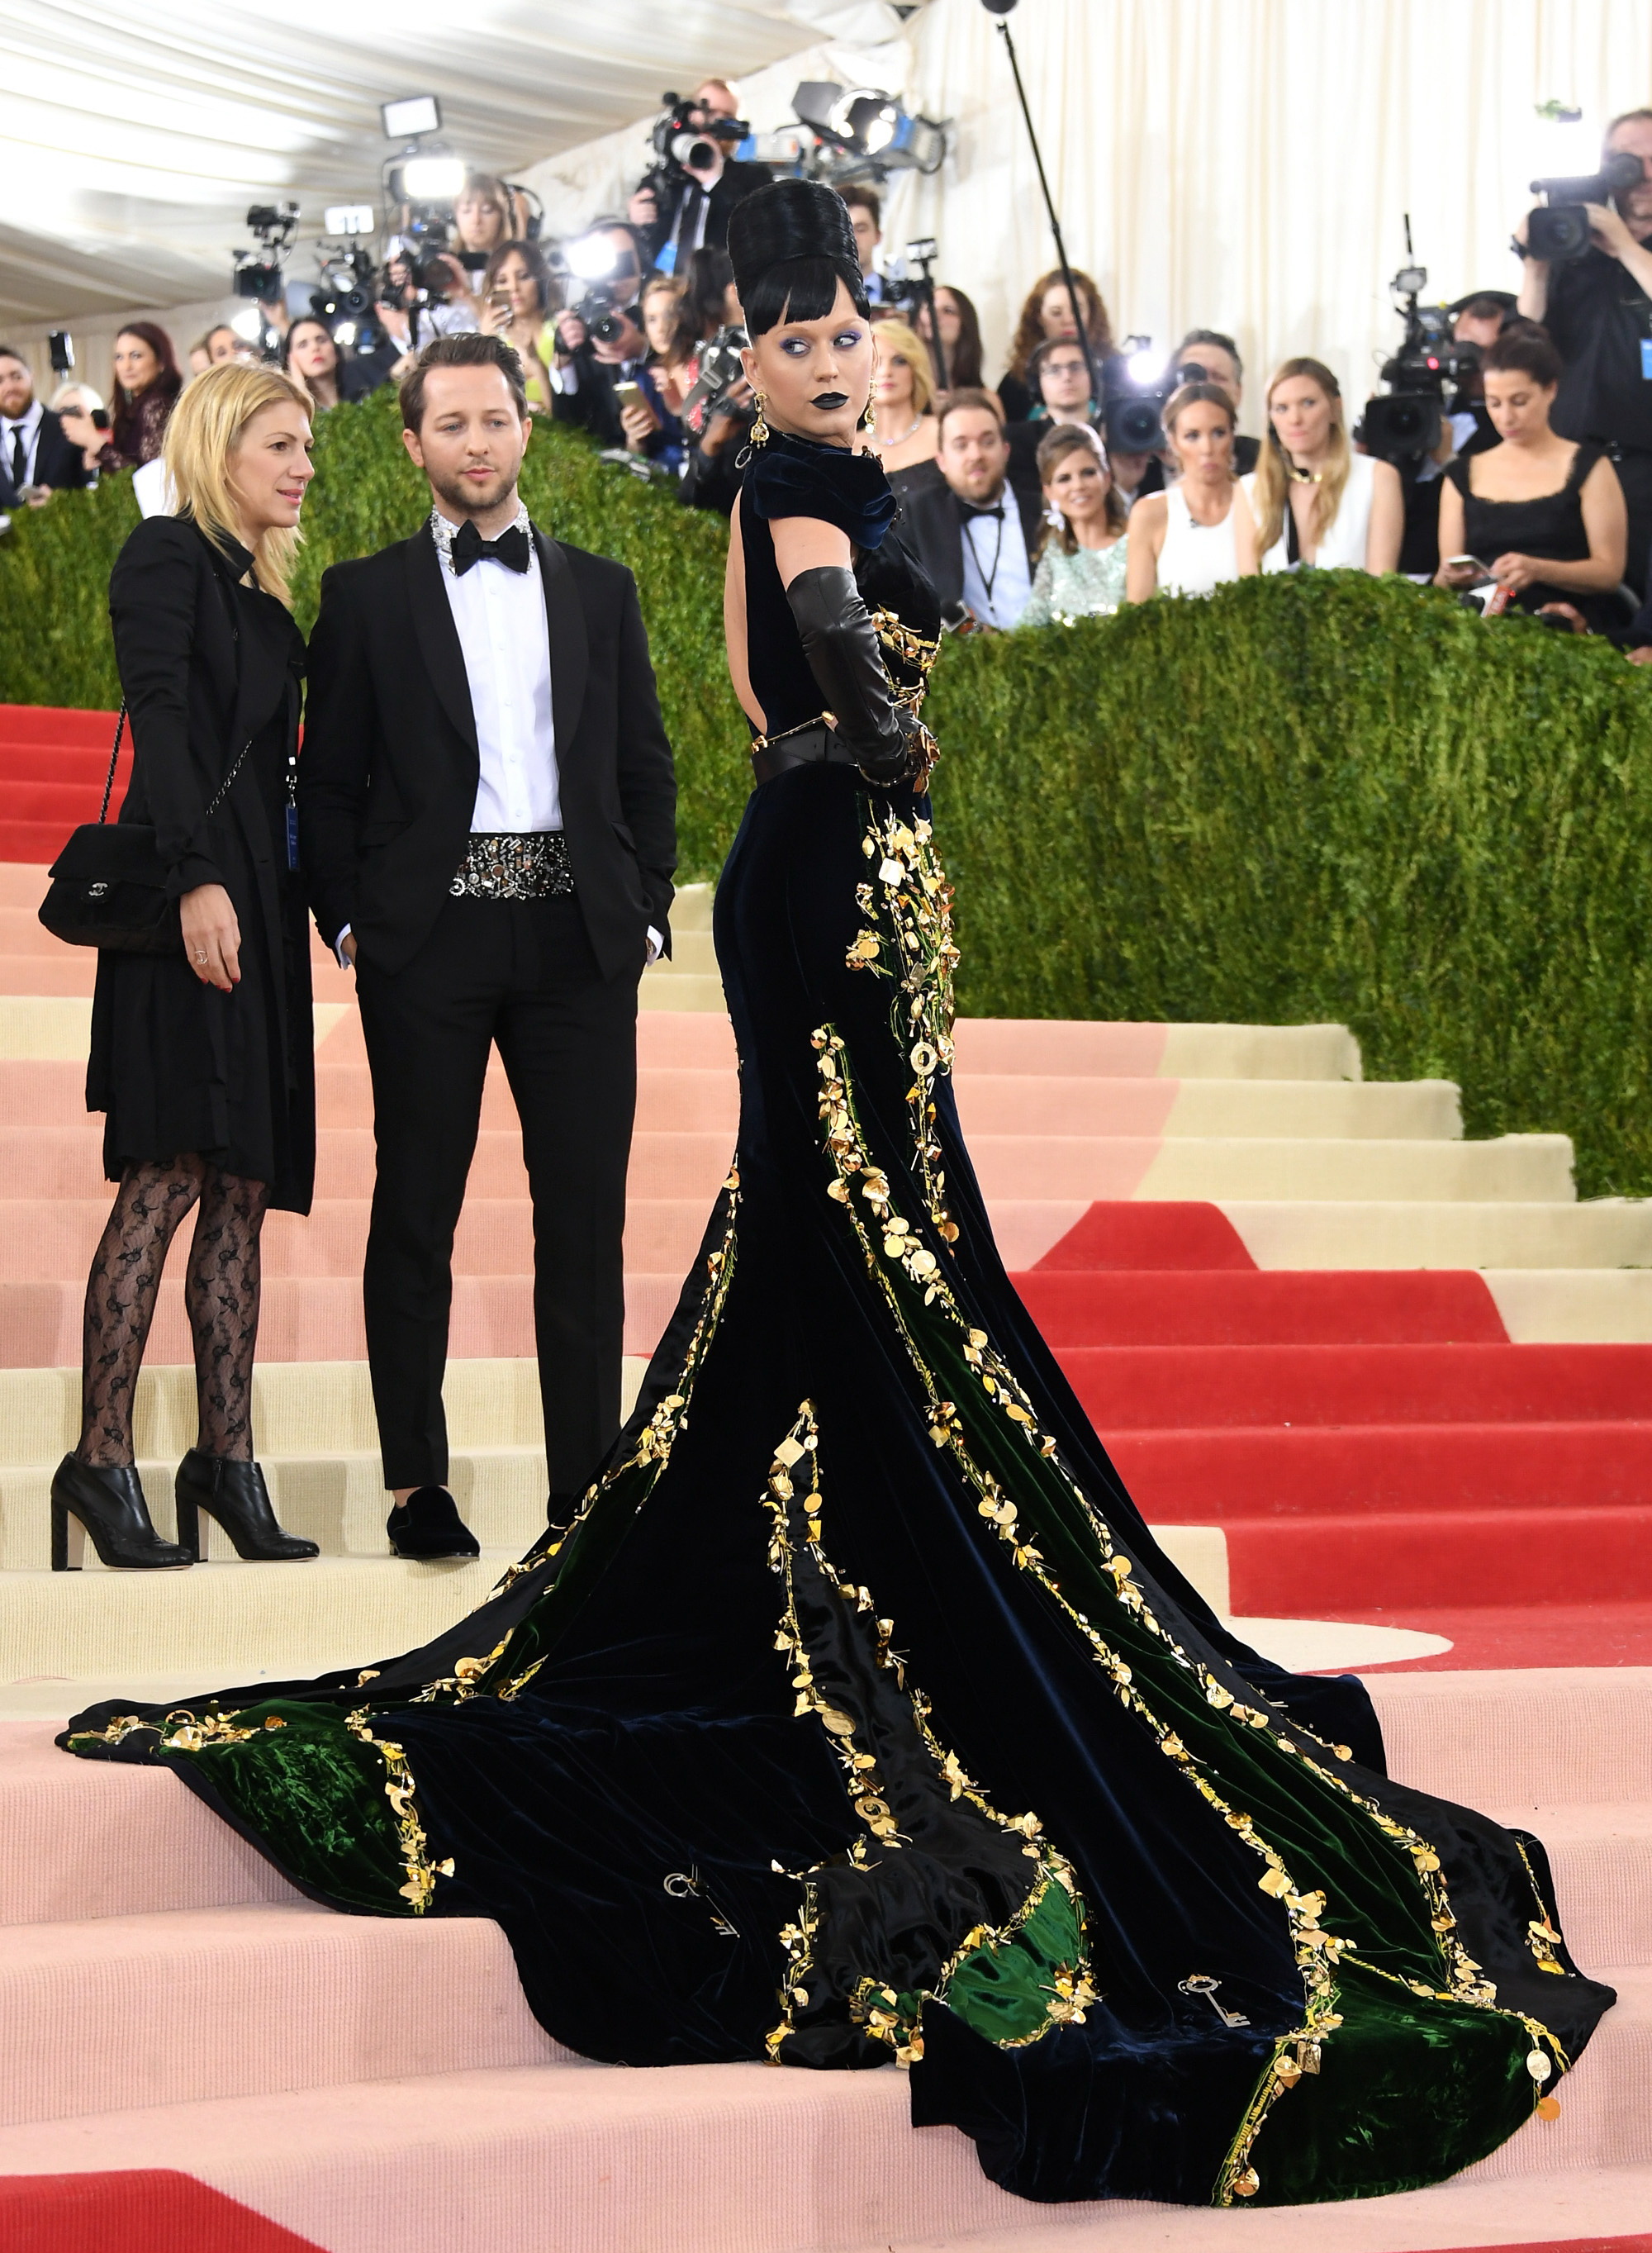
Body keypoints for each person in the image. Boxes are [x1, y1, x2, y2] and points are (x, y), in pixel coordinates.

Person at [59, 177, 1612, 2216]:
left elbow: (730, 694)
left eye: (844, 327)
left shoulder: (798, 482)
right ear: (747, 349)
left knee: (835, 1229)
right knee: (840, 1224)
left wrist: (852, 745)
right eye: (790, 334)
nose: (825, 357)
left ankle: (824, 1497)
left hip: (803, 873)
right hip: (816, 872)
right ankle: (806, 1518)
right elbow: (813, 661)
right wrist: (891, 735)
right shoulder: (793, 486)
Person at [297, 330, 676, 1560]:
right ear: (413, 443)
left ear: (525, 429)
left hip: (580, 937)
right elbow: (329, 782)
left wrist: (645, 905)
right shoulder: (362, 595)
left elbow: (643, 764)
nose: (476, 442)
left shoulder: (602, 589)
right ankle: (418, 1485)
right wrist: (350, 920)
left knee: (584, 1222)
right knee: (418, 1209)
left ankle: (586, 1500)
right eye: (451, 423)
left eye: (495, 419)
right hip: (429, 940)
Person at [50, 361, 320, 1573]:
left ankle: (226, 1460)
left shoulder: (265, 602)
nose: (303, 467)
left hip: (261, 913)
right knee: (169, 1170)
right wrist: (200, 875)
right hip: (187, 906)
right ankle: (101, 1460)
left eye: (306, 447)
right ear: (220, 448)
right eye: (282, 444)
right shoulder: (165, 557)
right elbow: (158, 716)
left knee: (242, 1184)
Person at [1517, 106, 1652, 596]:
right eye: (1628, 161)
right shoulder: (1574, 241)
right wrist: (1535, 267)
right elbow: (1524, 344)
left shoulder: (1618, 243)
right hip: (1567, 461)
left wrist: (1626, 247)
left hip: (1643, 464)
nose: (1643, 174)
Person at [1436, 326, 1629, 635]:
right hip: (1481, 629)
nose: (1506, 418)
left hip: (1571, 623)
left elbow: (1609, 573)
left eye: (1520, 401)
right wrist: (1449, 576)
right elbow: (1445, 576)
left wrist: (1538, 569)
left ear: (1550, 390)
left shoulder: (1590, 467)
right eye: (1494, 403)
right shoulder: (1462, 475)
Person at [899, 388, 1042, 626]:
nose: (975, 455)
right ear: (941, 461)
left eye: (987, 442)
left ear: (1006, 450)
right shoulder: (920, 515)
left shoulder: (1043, 509)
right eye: (961, 445)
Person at [1247, 358, 1403, 574]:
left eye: (1308, 403)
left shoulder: (1377, 477)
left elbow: (1381, 582)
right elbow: (1248, 585)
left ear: (1335, 408)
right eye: (1281, 408)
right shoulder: (1249, 490)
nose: (1295, 419)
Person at [1127, 381, 1259, 600]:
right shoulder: (1150, 514)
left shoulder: (1257, 502)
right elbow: (1138, 611)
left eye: (1218, 433)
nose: (1207, 448)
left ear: (1232, 436)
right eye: (1192, 436)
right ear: (1173, 442)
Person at [630, 77, 771, 273]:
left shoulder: (754, 176)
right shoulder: (666, 176)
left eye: (727, 116)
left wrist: (715, 181)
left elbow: (756, 230)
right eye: (710, 112)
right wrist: (636, 218)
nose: (715, 122)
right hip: (664, 286)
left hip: (719, 285)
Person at [1018, 423, 1128, 624]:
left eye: (1088, 473)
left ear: (1107, 478)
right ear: (1049, 492)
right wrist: (974, 630)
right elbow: (1027, 631)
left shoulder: (1135, 543)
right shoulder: (1055, 556)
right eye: (1064, 479)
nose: (1078, 486)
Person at [59, 324, 182, 474]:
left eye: (136, 356)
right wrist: (102, 455)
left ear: (161, 362)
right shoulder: (136, 406)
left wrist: (96, 443)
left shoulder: (157, 405)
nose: (126, 366)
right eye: (119, 357)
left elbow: (150, 478)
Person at [999, 265, 1114, 422]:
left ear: (1091, 314)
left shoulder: (1115, 372)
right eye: (1056, 313)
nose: (1068, 320)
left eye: (1077, 311)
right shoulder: (1015, 383)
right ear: (1039, 318)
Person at [0, 345, 93, 506]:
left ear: (31, 376)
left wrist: (61, 503)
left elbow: (93, 493)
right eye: (0, 381)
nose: (10, 387)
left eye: (16, 377)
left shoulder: (69, 428)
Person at [478, 237, 562, 410]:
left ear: (541, 280)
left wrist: (535, 359)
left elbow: (562, 411)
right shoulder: (493, 340)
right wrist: (482, 345)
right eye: (502, 281)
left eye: (523, 277)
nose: (513, 288)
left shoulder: (560, 334)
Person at [1170, 330, 1260, 475]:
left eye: (1217, 377)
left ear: (1238, 393)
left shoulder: (1263, 460)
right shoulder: (1145, 459)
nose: (1206, 386)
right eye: (1193, 376)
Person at [865, 316, 938, 478]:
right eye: (875, 361)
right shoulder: (847, 448)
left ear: (915, 370)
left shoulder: (943, 434)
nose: (886, 372)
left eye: (899, 361)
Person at [280, 316, 381, 414]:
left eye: (322, 340)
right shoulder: (294, 415)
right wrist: (300, 395)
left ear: (336, 351)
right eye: (303, 345)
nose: (315, 347)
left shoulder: (365, 397)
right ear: (290, 360)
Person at [842, 184, 891, 305]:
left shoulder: (906, 299)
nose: (852, 238)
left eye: (861, 229)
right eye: (843, 229)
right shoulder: (815, 302)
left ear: (878, 236)